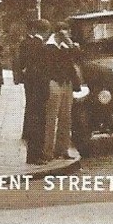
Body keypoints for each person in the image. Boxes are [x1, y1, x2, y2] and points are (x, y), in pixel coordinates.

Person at [43, 20, 79, 162]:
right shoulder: (48, 47)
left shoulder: (66, 47)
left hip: (66, 83)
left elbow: (77, 57)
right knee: (51, 118)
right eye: (66, 31)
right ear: (58, 32)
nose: (68, 34)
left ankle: (62, 149)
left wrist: (70, 44)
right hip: (54, 83)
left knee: (66, 118)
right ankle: (48, 151)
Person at [20, 19, 51, 165]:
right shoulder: (41, 47)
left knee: (35, 121)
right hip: (39, 89)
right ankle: (35, 154)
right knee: (38, 122)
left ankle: (36, 153)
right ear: (45, 31)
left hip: (32, 88)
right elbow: (42, 70)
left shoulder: (31, 45)